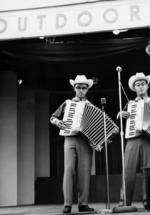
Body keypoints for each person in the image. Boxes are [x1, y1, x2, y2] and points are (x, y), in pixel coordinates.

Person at [118, 72, 150, 209]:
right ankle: (124, 200)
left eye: (142, 84)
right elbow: (121, 117)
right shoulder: (130, 104)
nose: (140, 87)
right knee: (128, 170)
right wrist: (122, 114)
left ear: (147, 86)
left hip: (149, 142)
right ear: (134, 88)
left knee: (149, 170)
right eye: (137, 85)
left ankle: (148, 200)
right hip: (133, 139)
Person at [50, 75, 95, 214]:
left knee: (85, 171)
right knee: (69, 170)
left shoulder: (90, 106)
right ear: (74, 88)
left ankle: (83, 203)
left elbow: (96, 125)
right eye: (78, 87)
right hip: (69, 138)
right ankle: (67, 204)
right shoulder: (67, 103)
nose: (81, 90)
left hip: (85, 141)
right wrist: (58, 122)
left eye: (84, 88)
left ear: (87, 89)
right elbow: (53, 117)